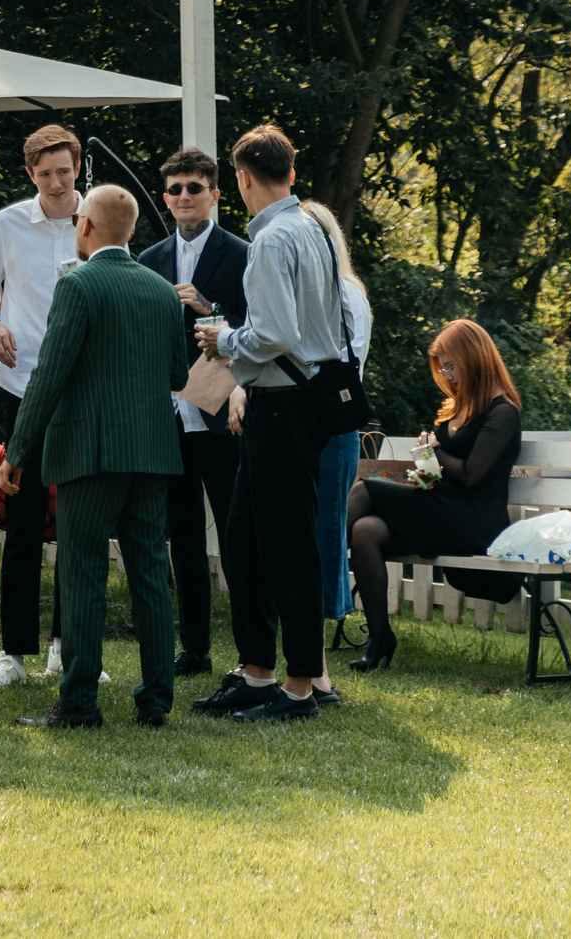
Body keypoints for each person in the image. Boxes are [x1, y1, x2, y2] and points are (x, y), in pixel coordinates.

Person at [6, 185, 184, 728]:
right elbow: (178, 375)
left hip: (89, 450)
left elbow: (49, 373)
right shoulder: (161, 290)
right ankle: (156, 698)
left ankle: (79, 702)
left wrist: (17, 449)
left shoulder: (78, 285)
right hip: (153, 449)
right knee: (152, 573)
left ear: (84, 226)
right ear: (131, 231)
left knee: (81, 572)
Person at [193, 124, 345, 722]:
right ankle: (256, 670)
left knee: (285, 547)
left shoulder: (274, 238)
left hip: (284, 404)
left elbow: (277, 333)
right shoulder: (312, 228)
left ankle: (301, 684)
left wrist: (222, 336)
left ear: (243, 178)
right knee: (244, 541)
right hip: (288, 402)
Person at [0, 124, 87, 692]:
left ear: (78, 166)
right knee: (20, 522)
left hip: (80, 389)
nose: (57, 182)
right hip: (19, 386)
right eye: (45, 174)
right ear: (30, 175)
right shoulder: (8, 222)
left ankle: (66, 647)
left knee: (77, 521)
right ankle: (13, 653)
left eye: (64, 171)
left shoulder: (100, 218)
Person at [347, 320, 524, 667]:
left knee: (363, 491)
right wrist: (424, 471)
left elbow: (471, 475)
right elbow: (439, 477)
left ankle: (309, 577)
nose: (446, 372)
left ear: (474, 358)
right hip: (442, 509)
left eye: (450, 364)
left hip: (474, 521)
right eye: (442, 365)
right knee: (364, 531)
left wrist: (433, 451)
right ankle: (380, 638)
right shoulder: (458, 408)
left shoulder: (503, 412)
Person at [137, 148, 248, 678]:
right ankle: (195, 648)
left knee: (234, 530)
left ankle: (254, 649)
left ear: (215, 194)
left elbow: (263, 323)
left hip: (224, 408)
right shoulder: (149, 259)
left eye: (194, 188)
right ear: (165, 197)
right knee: (181, 534)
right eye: (176, 189)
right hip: (168, 413)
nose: (184, 196)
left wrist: (211, 309)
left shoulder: (242, 253)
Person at [301, 199, 375, 686]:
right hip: (310, 423)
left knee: (326, 528)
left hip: (330, 423)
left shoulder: (345, 294)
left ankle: (321, 645)